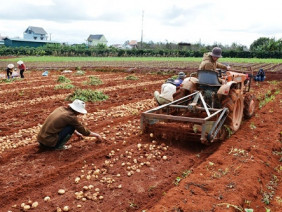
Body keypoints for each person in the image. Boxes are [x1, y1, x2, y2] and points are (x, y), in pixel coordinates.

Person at [37, 99, 102, 150]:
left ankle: (48, 144)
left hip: (40, 139)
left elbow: (64, 124)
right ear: (77, 111)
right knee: (71, 127)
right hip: (48, 142)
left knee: (70, 126)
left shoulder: (60, 109)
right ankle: (58, 146)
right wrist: (97, 135)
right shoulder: (71, 117)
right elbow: (84, 131)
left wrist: (77, 134)